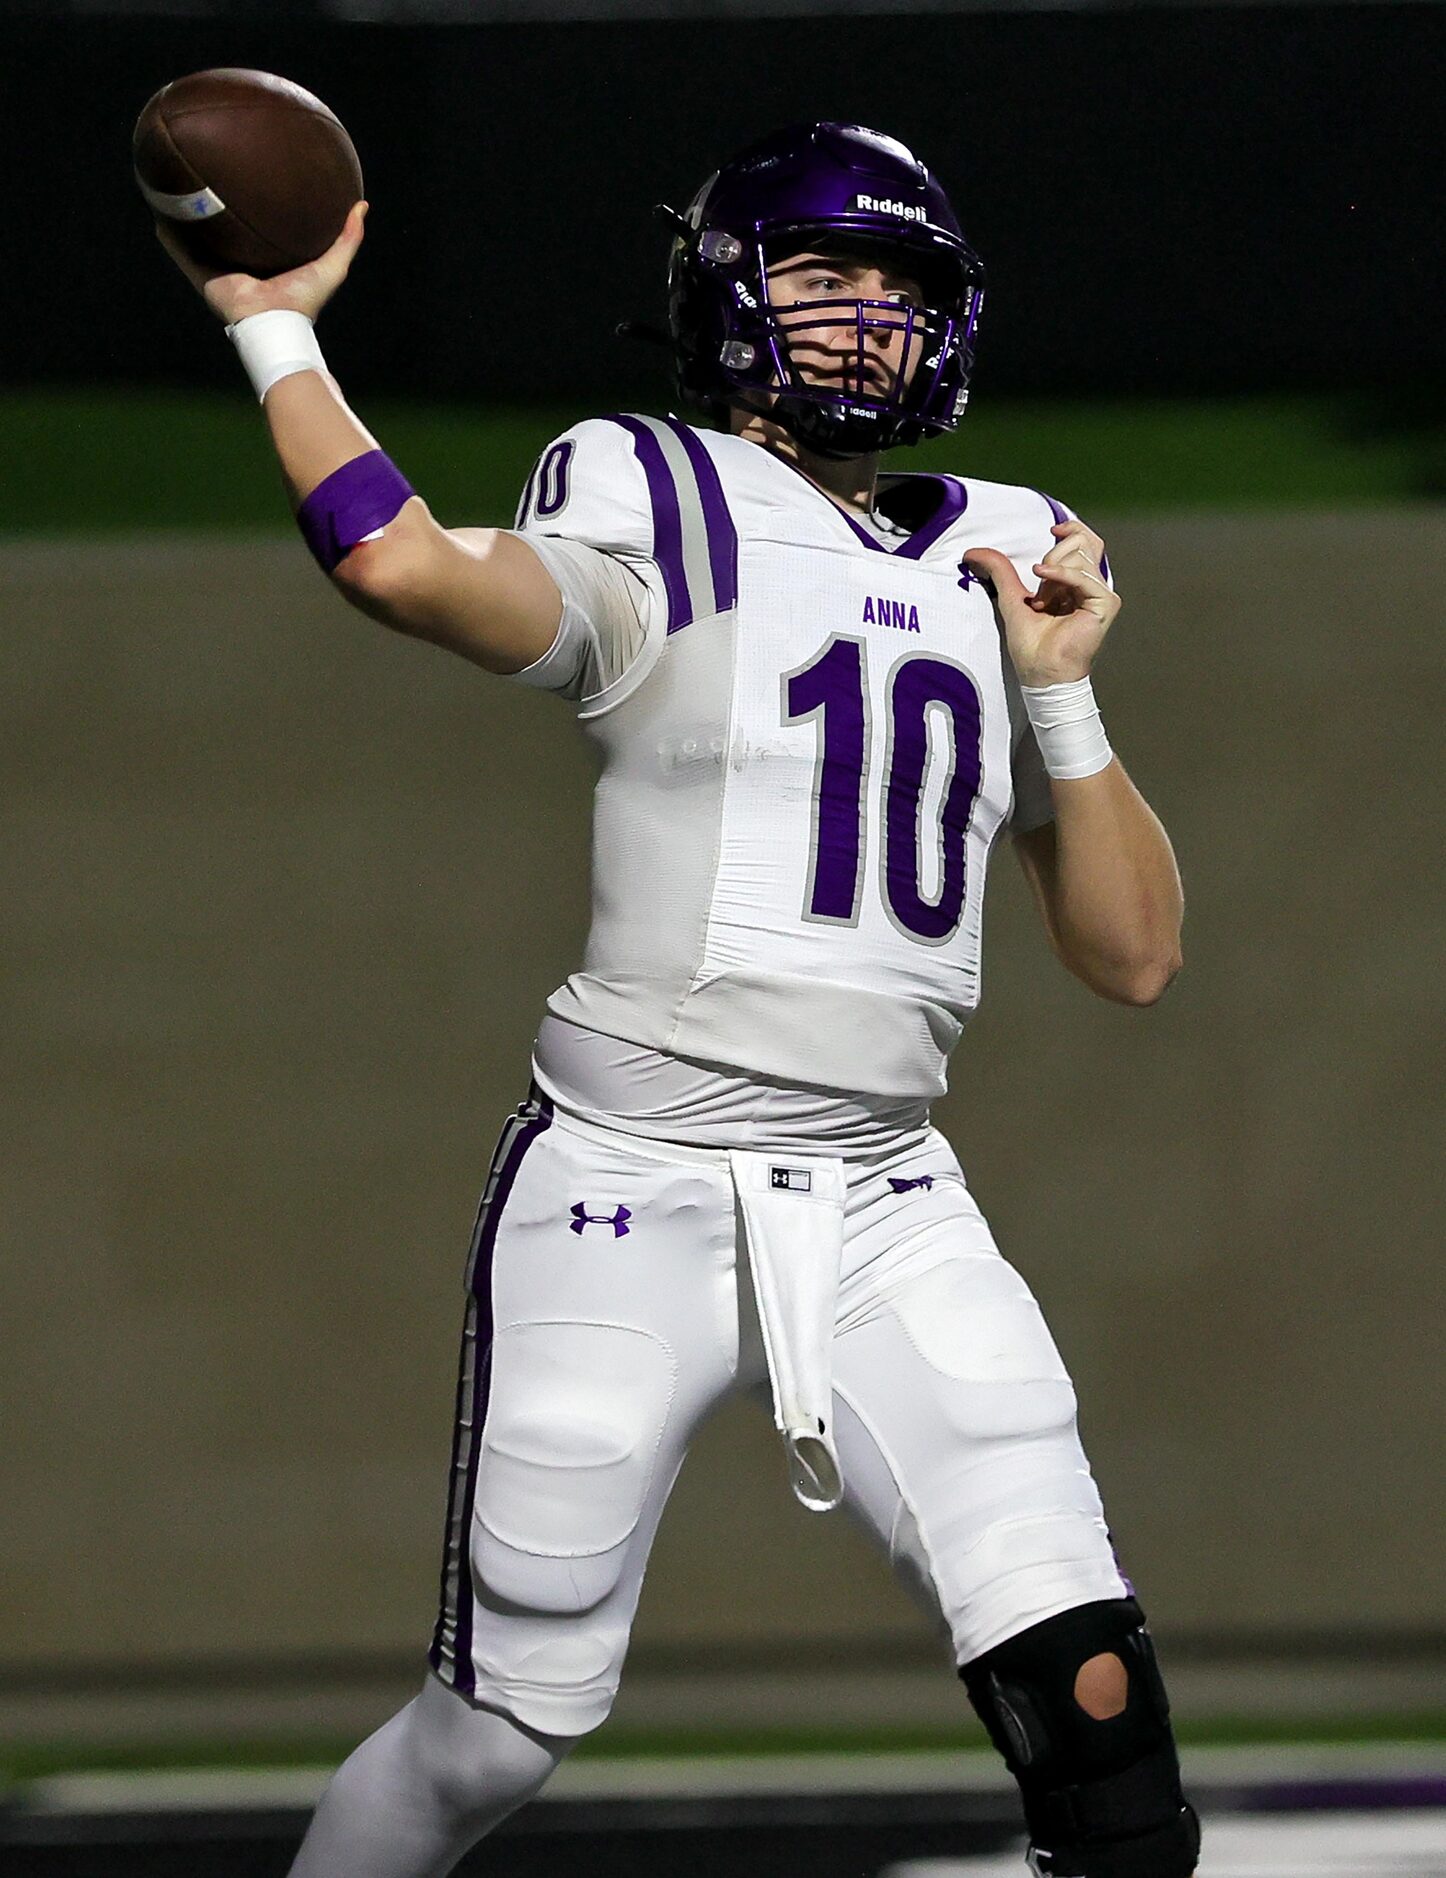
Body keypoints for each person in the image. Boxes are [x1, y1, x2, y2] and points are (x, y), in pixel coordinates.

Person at [156, 120, 1195, 1878]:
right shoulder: (657, 490)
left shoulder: (1005, 552)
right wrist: (274, 328)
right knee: (496, 1733)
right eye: (820, 273)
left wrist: (1065, 701)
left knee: (1094, 1711)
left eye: (899, 284)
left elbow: (1133, 955)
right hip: (628, 1176)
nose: (866, 315)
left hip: (884, 1196)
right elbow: (402, 568)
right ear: (725, 296)